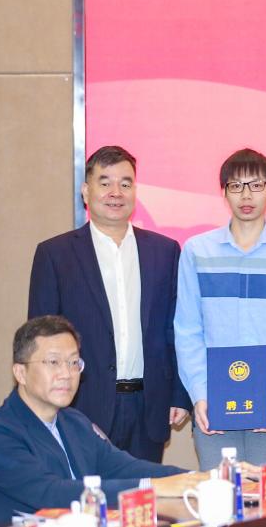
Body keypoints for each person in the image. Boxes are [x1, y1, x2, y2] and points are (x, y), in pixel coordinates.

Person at [28, 146, 189, 463]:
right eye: (105, 183)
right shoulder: (55, 255)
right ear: (86, 191)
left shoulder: (165, 252)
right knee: (86, 494)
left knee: (142, 492)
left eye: (125, 183)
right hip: (80, 407)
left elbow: (176, 329)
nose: (116, 192)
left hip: (148, 408)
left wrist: (179, 395)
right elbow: (41, 340)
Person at [0, 317, 206, 526]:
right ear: (20, 373)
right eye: (53, 362)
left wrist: (200, 478)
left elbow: (125, 468)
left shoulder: (74, 422)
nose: (66, 374)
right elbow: (51, 493)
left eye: (74, 363)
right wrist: (152, 486)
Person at [174, 149, 266, 469]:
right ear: (223, 193)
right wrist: (200, 393)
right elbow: (187, 329)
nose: (246, 195)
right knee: (220, 494)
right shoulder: (197, 251)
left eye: (256, 185)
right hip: (214, 406)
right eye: (235, 186)